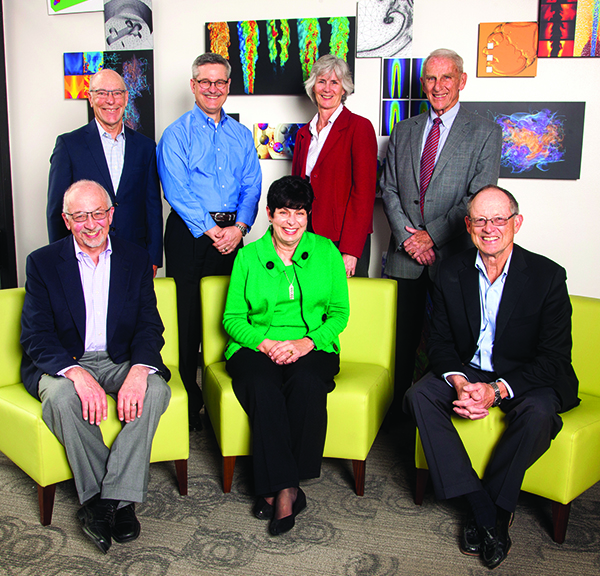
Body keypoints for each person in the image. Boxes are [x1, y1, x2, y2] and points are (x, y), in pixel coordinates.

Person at [404, 185, 579, 569]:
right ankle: (484, 507)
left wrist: (496, 390)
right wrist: (462, 383)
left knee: (538, 411)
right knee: (418, 395)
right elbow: (440, 343)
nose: (489, 228)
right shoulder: (450, 271)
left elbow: (553, 358)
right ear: (467, 226)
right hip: (470, 370)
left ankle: (494, 507)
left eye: (499, 219)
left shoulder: (547, 276)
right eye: (480, 219)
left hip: (523, 376)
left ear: (517, 223)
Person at [21, 180, 172, 554]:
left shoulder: (135, 258)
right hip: (67, 362)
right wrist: (75, 373)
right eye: (80, 216)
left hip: (119, 358)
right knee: (59, 398)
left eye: (98, 213)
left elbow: (149, 325)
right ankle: (118, 503)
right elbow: (36, 335)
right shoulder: (42, 262)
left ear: (111, 214)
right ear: (66, 219)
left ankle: (102, 504)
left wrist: (139, 370)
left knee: (155, 389)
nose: (91, 223)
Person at [223, 176, 349, 536]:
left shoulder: (326, 252)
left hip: (312, 345)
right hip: (257, 346)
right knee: (262, 385)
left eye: (300, 213)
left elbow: (339, 313)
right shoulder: (248, 256)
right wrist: (266, 345)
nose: (292, 222)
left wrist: (306, 343)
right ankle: (288, 489)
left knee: (307, 382)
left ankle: (279, 488)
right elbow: (232, 318)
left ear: (308, 216)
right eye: (283, 213)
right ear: (269, 215)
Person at [380, 48, 503, 411]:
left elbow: (477, 198)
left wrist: (430, 236)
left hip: (454, 256)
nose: (438, 86)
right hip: (405, 258)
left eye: (446, 77)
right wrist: (409, 240)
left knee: (452, 342)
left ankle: (439, 411)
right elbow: (388, 189)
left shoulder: (485, 132)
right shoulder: (404, 130)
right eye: (431, 79)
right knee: (399, 341)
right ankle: (396, 416)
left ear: (461, 81)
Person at [157, 52, 262, 431]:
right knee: (186, 319)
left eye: (220, 82)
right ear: (193, 85)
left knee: (226, 316)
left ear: (229, 86)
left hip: (233, 235)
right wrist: (210, 228)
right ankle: (188, 402)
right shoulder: (176, 134)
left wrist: (241, 228)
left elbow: (252, 185)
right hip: (189, 234)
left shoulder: (240, 135)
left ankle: (224, 400)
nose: (213, 89)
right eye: (205, 82)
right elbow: (176, 188)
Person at [47, 69, 163, 274]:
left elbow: (152, 205)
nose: (111, 100)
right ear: (90, 98)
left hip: (134, 252)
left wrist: (153, 257)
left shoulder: (145, 147)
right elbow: (57, 209)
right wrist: (62, 258)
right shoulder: (68, 145)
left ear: (126, 98)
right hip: (85, 253)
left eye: (117, 93)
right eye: (102, 93)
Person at [292, 54, 377, 278]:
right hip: (307, 237)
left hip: (343, 239)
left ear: (344, 89)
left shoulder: (359, 128)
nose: (327, 88)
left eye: (334, 82)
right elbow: (296, 192)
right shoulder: (303, 134)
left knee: (346, 308)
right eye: (321, 81)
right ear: (313, 87)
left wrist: (350, 250)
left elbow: (364, 194)